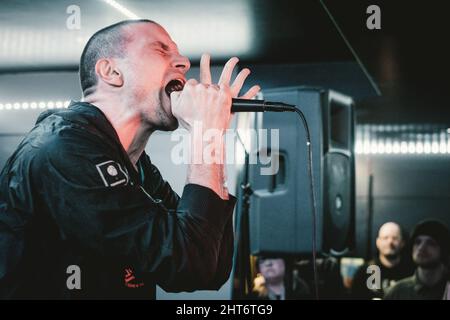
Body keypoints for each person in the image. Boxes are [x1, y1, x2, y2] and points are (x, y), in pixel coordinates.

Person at [0, 19, 260, 299]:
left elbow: (210, 267)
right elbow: (186, 264)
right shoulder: (63, 151)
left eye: (178, 54)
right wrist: (206, 132)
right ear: (111, 72)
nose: (184, 62)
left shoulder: (135, 164)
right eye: (162, 50)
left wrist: (212, 133)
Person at [385, 220, 450, 300]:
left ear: (443, 250)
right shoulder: (398, 292)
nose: (421, 248)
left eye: (431, 243)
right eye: (417, 242)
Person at [351, 222, 413, 299]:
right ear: (378, 242)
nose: (390, 242)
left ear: (402, 243)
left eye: (395, 238)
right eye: (385, 238)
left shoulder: (411, 272)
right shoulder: (364, 271)